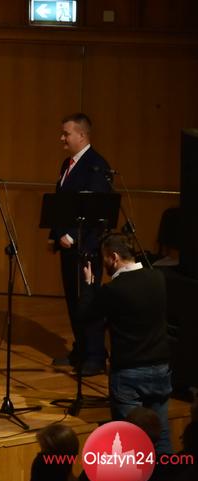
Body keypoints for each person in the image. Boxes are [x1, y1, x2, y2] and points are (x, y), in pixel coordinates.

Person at [77, 233, 172, 453]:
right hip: (161, 368)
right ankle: (168, 474)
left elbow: (85, 317)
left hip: (129, 373)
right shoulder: (158, 277)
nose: (104, 263)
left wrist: (89, 285)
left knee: (130, 442)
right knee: (162, 436)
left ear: (114, 257)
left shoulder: (113, 289)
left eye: (105, 258)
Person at [49, 112, 112, 376]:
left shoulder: (96, 165)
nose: (62, 138)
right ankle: (82, 349)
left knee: (88, 300)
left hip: (86, 246)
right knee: (73, 301)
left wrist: (73, 236)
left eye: (66, 133)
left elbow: (97, 209)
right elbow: (62, 203)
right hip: (67, 246)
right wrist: (56, 234)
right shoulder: (68, 164)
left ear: (82, 135)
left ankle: (95, 356)